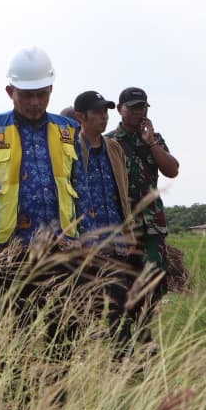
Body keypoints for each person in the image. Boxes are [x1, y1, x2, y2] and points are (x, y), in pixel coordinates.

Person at [0, 46, 89, 402]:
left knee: (64, 334)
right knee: (10, 337)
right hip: (2, 253)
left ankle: (55, 407)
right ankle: (16, 407)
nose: (35, 102)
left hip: (61, 251)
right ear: (10, 92)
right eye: (27, 95)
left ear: (51, 91)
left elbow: (82, 190)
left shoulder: (69, 130)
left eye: (41, 94)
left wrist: (92, 240)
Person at [73, 90, 145, 360]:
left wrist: (127, 231)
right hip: (85, 244)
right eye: (97, 113)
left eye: (105, 112)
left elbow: (121, 193)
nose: (103, 117)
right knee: (83, 308)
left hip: (116, 241)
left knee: (119, 306)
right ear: (81, 117)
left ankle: (121, 364)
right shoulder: (71, 148)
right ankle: (83, 363)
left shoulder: (113, 148)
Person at [105, 86, 180, 332]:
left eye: (143, 108)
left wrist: (152, 144)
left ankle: (144, 330)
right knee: (121, 284)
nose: (139, 113)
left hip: (152, 225)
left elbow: (172, 170)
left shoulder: (154, 139)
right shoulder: (109, 142)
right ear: (120, 110)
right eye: (133, 108)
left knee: (154, 280)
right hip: (122, 225)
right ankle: (122, 335)